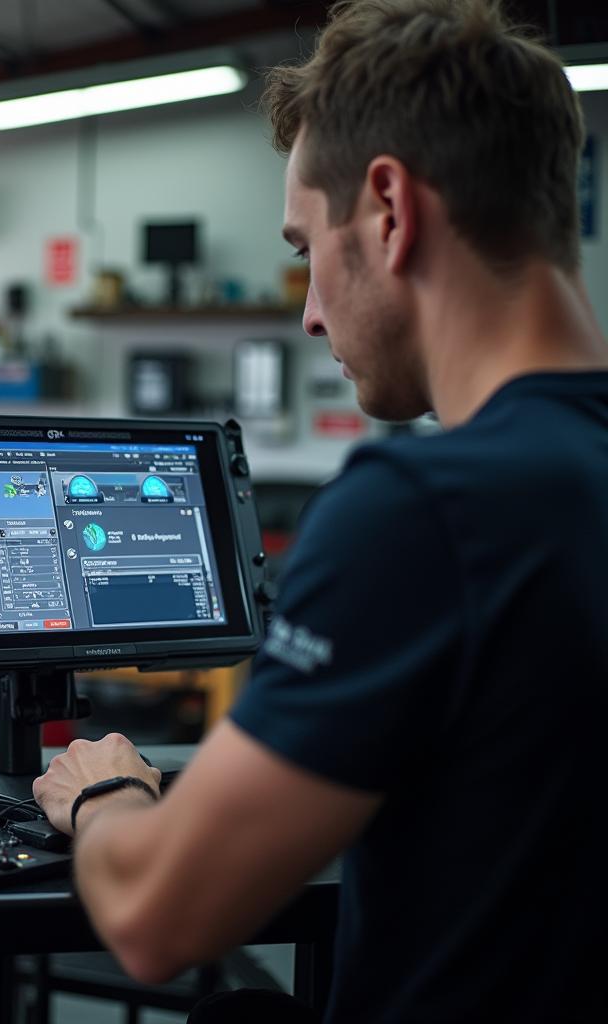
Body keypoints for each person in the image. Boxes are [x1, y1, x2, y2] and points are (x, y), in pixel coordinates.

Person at [32, 1, 608, 1021]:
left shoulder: (426, 506)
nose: (307, 311)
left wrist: (106, 792)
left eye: (306, 248)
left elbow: (155, 914)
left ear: (388, 208)